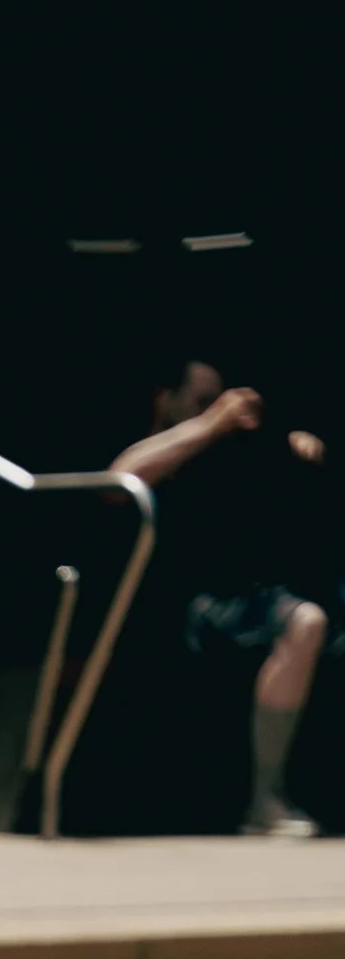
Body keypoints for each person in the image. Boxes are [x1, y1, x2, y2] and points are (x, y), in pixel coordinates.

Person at [115, 359, 335, 838]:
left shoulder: (232, 452)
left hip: (249, 596)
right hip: (173, 605)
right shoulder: (169, 445)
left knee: (314, 617)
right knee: (304, 622)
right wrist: (211, 421)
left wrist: (300, 449)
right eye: (200, 402)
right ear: (165, 400)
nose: (219, 414)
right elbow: (121, 480)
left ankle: (277, 796)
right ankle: (264, 798)